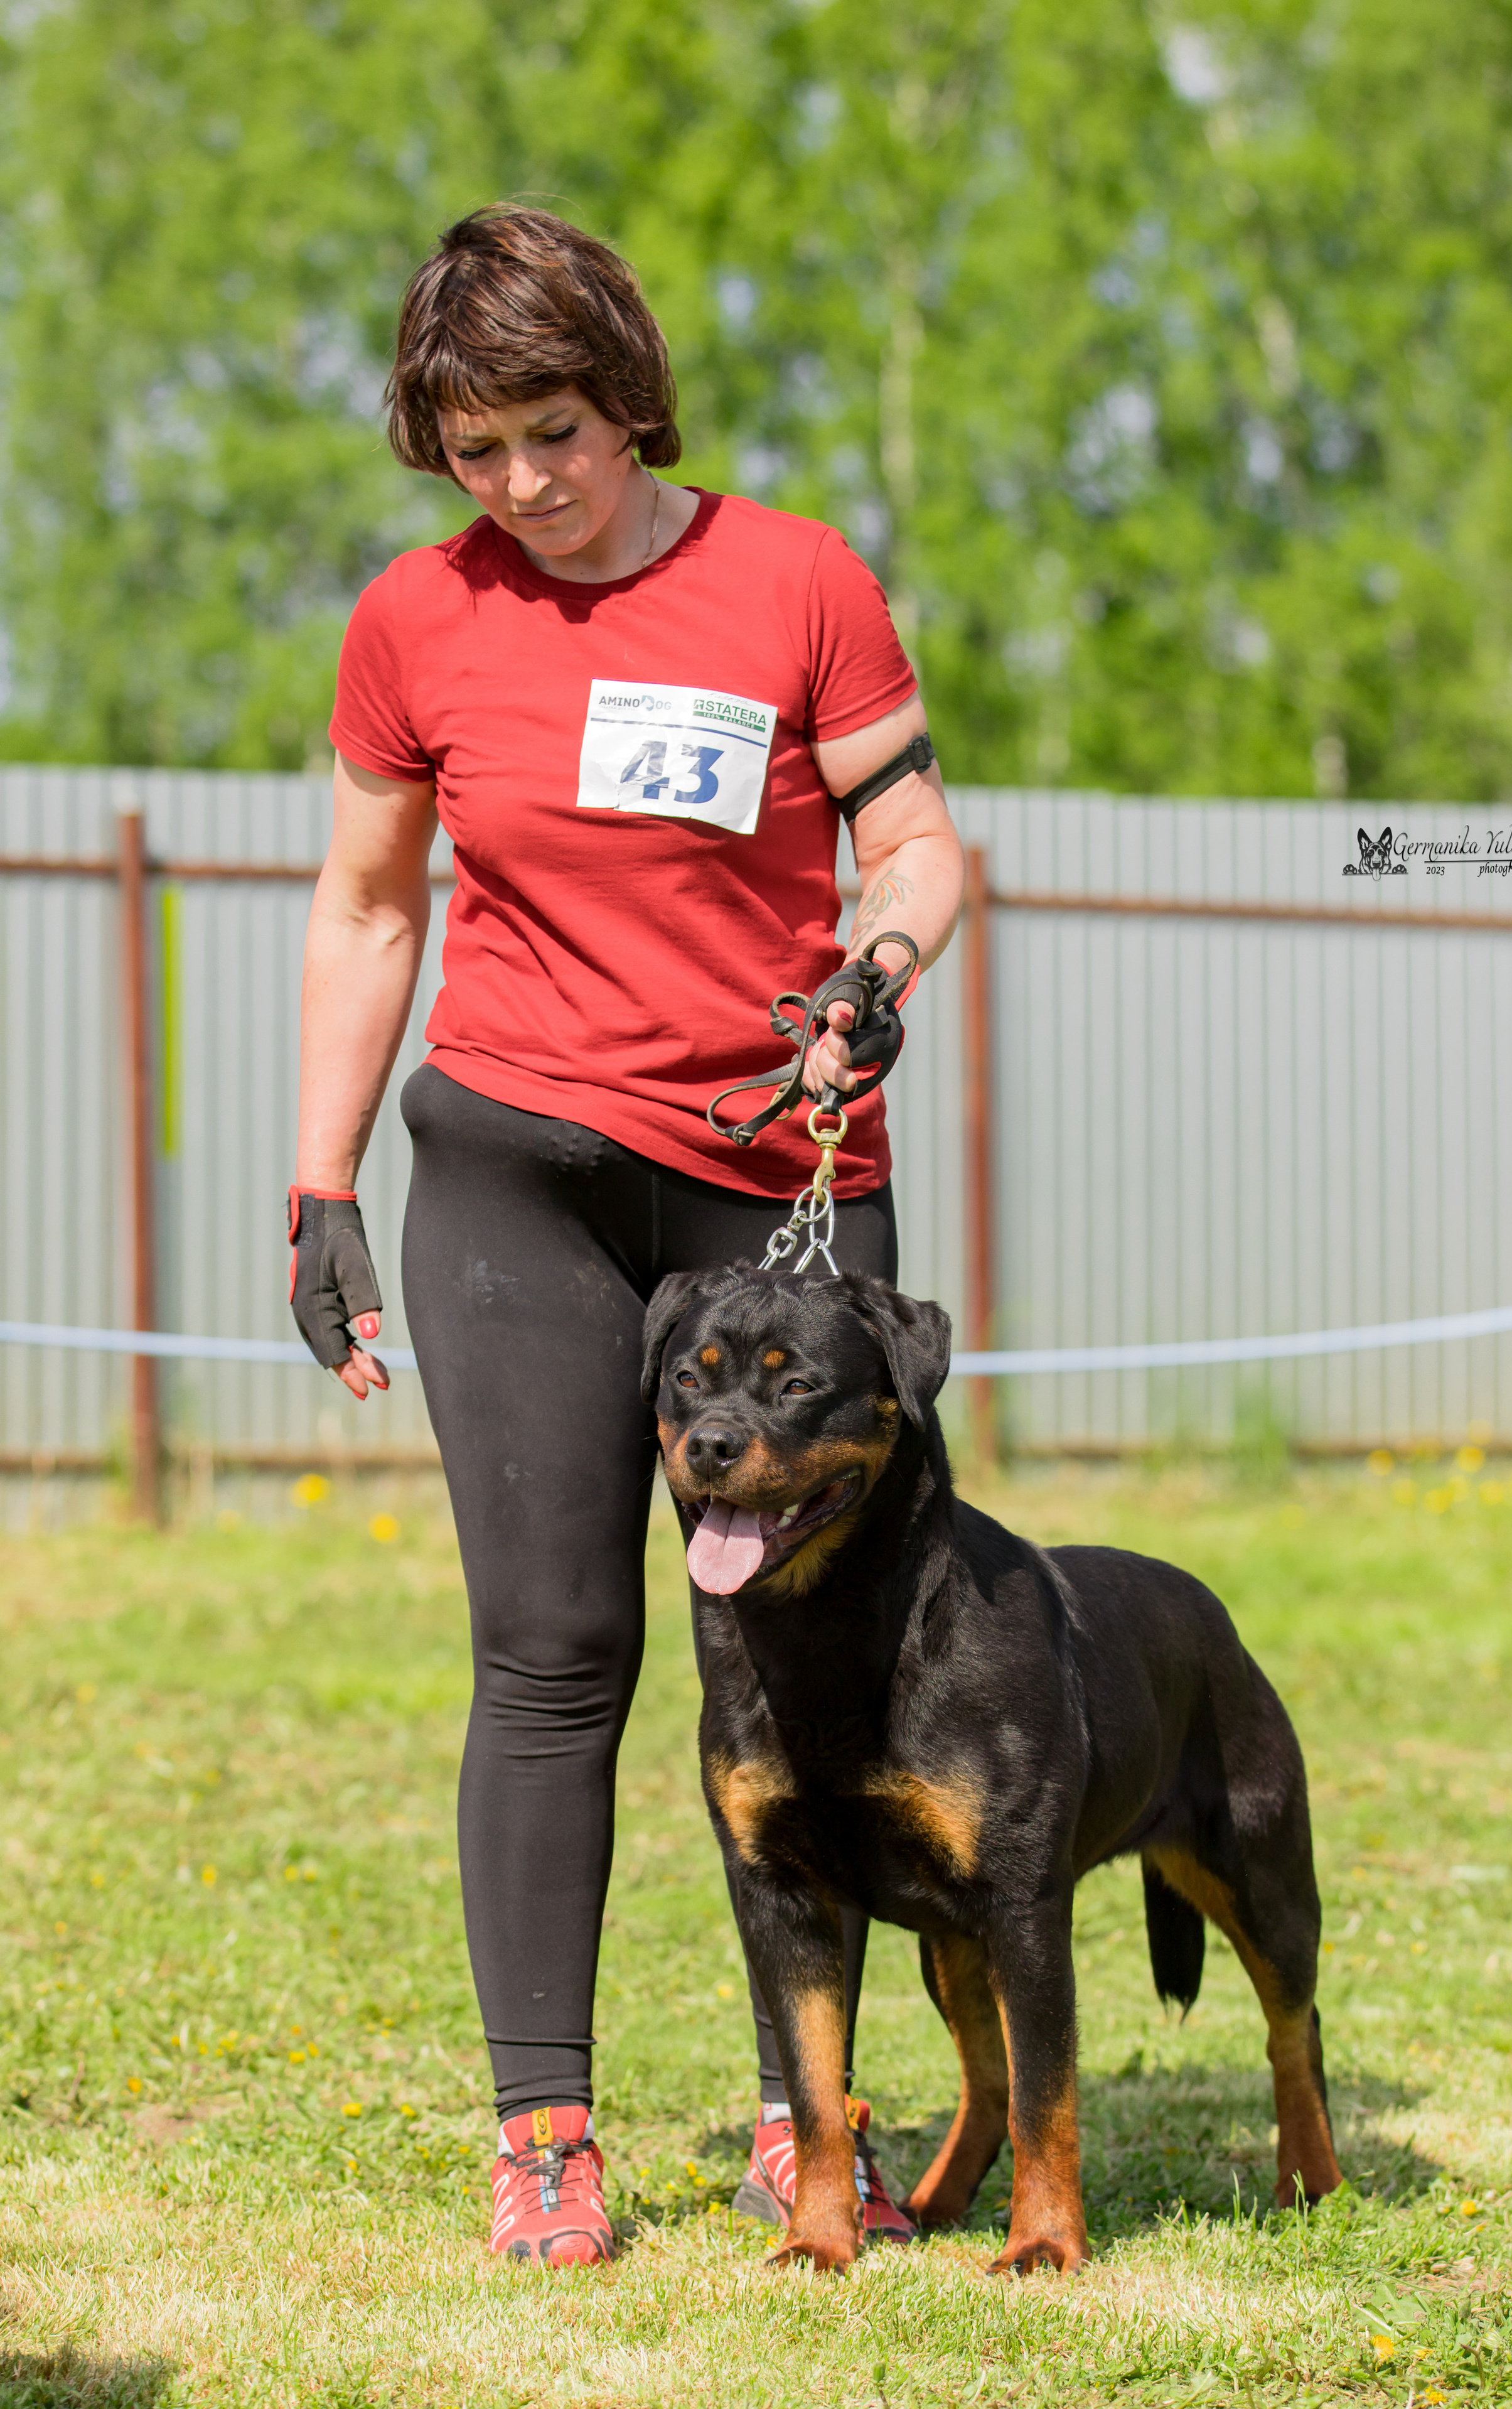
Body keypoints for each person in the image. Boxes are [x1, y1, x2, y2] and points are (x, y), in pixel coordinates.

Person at [290, 205, 965, 2269]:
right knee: (559, 1647)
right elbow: (374, 906)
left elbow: (915, 838)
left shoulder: (796, 580)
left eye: (555, 435)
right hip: (516, 1170)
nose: (523, 488)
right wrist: (320, 1182)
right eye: (478, 452)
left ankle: (809, 2107)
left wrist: (885, 963)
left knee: (807, 1653)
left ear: (629, 394)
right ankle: (546, 2132)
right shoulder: (419, 618)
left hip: (773, 1176)